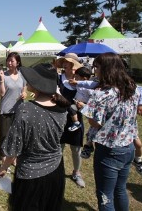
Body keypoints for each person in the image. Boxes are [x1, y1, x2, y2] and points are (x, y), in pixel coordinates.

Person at [0, 63, 69, 210]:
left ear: (37, 83)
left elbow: (13, 147)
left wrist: (3, 167)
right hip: (56, 171)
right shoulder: (63, 108)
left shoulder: (26, 109)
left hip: (30, 174)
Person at [80, 53, 139, 211]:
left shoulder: (101, 94)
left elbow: (94, 122)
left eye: (97, 67)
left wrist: (83, 108)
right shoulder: (133, 90)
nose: (95, 70)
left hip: (109, 150)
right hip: (128, 147)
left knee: (105, 196)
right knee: (120, 189)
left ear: (106, 69)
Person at [71, 68, 142, 176]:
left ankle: (138, 161)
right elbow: (90, 84)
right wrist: (78, 83)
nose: (96, 72)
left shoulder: (130, 88)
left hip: (126, 129)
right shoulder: (104, 88)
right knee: (94, 131)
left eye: (98, 68)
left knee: (137, 144)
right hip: (110, 129)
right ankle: (88, 146)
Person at [55, 53, 86, 188]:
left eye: (69, 62)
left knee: (76, 148)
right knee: (58, 147)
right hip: (59, 117)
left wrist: (83, 104)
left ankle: (76, 172)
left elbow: (88, 98)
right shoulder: (58, 78)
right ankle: (56, 171)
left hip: (76, 119)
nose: (66, 64)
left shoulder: (82, 80)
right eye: (65, 62)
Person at [0, 52, 27, 169]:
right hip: (5, 111)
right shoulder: (3, 75)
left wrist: (24, 93)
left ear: (17, 62)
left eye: (12, 61)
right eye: (8, 61)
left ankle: (14, 158)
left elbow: (24, 89)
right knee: (4, 136)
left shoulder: (22, 75)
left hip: (18, 110)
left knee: (17, 136)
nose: (9, 63)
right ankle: (4, 160)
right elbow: (2, 93)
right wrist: (2, 80)